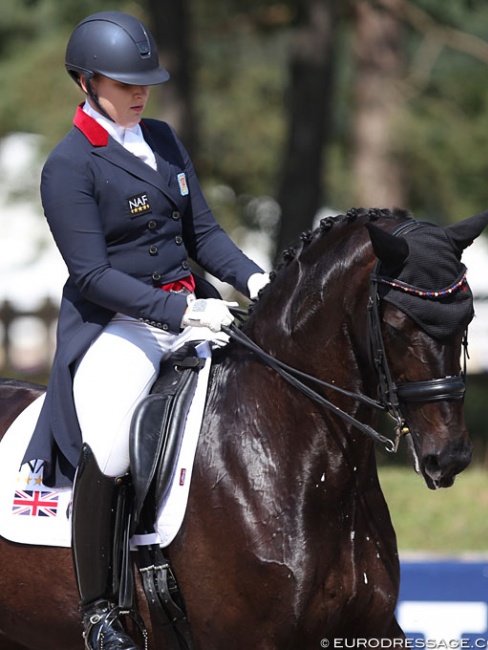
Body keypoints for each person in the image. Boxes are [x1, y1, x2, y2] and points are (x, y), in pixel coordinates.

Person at [21, 10, 269, 650]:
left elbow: (204, 234)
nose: (140, 93)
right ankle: (100, 611)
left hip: (196, 309)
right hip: (117, 327)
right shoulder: (69, 166)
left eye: (145, 81)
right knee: (111, 440)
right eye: (124, 82)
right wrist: (180, 313)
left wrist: (259, 281)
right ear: (86, 81)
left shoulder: (161, 137)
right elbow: (93, 274)